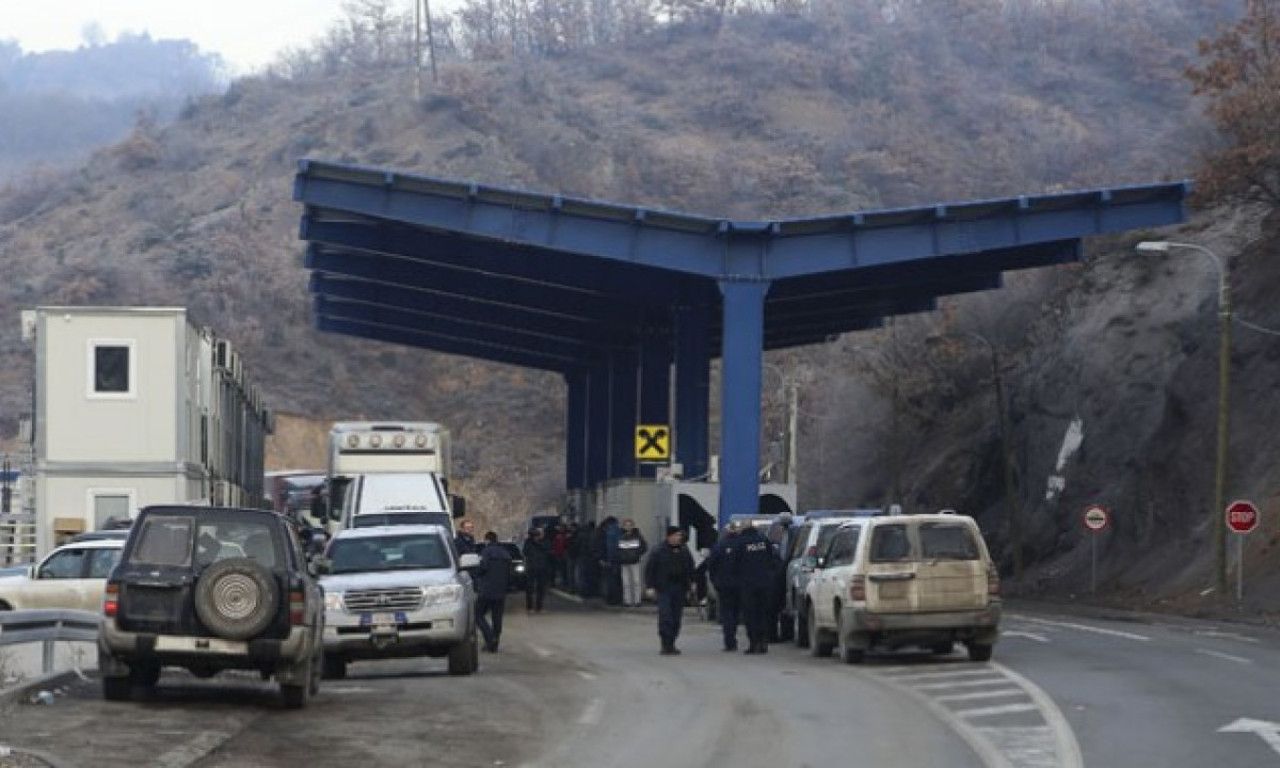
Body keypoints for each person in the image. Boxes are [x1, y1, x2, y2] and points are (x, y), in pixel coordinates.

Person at [644, 526, 695, 655]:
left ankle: (672, 642)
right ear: (669, 536)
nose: (679, 538)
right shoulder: (659, 551)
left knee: (676, 617)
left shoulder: (684, 550)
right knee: (666, 616)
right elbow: (650, 569)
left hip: (680, 587)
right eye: (676, 535)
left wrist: (692, 583)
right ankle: (665, 643)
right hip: (664, 588)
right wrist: (650, 586)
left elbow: (690, 567)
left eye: (680, 536)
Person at [733, 521, 781, 654]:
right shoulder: (763, 540)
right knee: (763, 614)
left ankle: (754, 644)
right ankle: (763, 642)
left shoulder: (740, 542)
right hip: (765, 583)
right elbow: (773, 559)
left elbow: (735, 563)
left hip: (748, 584)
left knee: (750, 615)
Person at [698, 520, 742, 651]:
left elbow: (711, 565)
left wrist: (715, 580)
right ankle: (734, 637)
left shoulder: (719, 546)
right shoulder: (743, 545)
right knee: (736, 612)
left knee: (727, 613)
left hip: (724, 585)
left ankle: (730, 641)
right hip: (740, 585)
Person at [474, 531, 511, 652]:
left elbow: (482, 568)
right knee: (497, 617)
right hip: (501, 590)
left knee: (477, 614)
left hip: (486, 589)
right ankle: (495, 643)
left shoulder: (486, 552)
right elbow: (510, 573)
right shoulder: (505, 553)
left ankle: (490, 637)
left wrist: (477, 576)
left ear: (487, 540)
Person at [616, 518, 649, 607]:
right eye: (626, 525)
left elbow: (644, 546)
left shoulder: (637, 536)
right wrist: (620, 556)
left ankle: (637, 600)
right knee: (626, 582)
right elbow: (617, 548)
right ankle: (627, 600)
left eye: (630, 525)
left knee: (636, 581)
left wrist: (637, 554)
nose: (628, 527)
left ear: (633, 526)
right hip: (624, 562)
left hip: (634, 561)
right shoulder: (620, 536)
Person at [522, 526, 553, 613]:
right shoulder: (528, 542)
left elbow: (548, 549)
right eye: (537, 533)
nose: (539, 535)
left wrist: (538, 542)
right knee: (529, 588)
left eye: (540, 533)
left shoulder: (545, 542)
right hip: (531, 567)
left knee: (541, 588)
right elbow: (525, 552)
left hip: (542, 567)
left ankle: (539, 607)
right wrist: (532, 541)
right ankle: (529, 607)